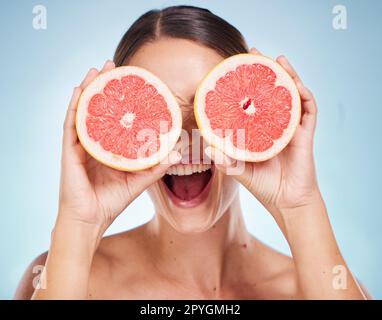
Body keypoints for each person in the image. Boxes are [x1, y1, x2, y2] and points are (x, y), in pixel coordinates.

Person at [15, 5, 370, 300]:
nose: (185, 142)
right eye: (158, 116)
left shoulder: (318, 288)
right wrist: (79, 224)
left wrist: (300, 205)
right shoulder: (58, 276)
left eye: (206, 111)